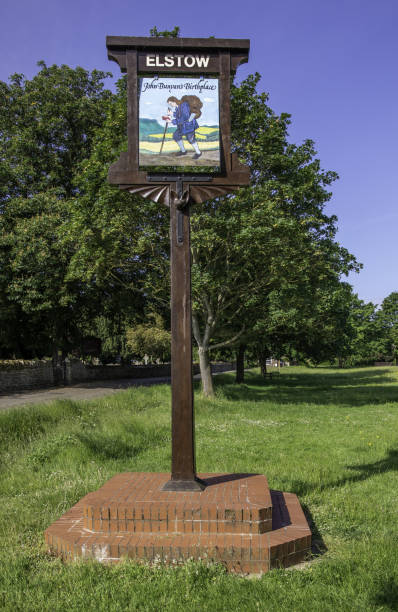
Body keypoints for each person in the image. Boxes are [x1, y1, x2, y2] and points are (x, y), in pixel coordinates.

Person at [166, 95, 202, 159]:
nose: (171, 105)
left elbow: (184, 118)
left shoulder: (184, 105)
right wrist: (172, 114)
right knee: (176, 136)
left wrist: (172, 121)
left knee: (191, 140)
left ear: (174, 101)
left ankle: (198, 153)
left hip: (188, 126)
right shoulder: (178, 107)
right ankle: (183, 151)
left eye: (171, 103)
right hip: (182, 127)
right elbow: (179, 115)